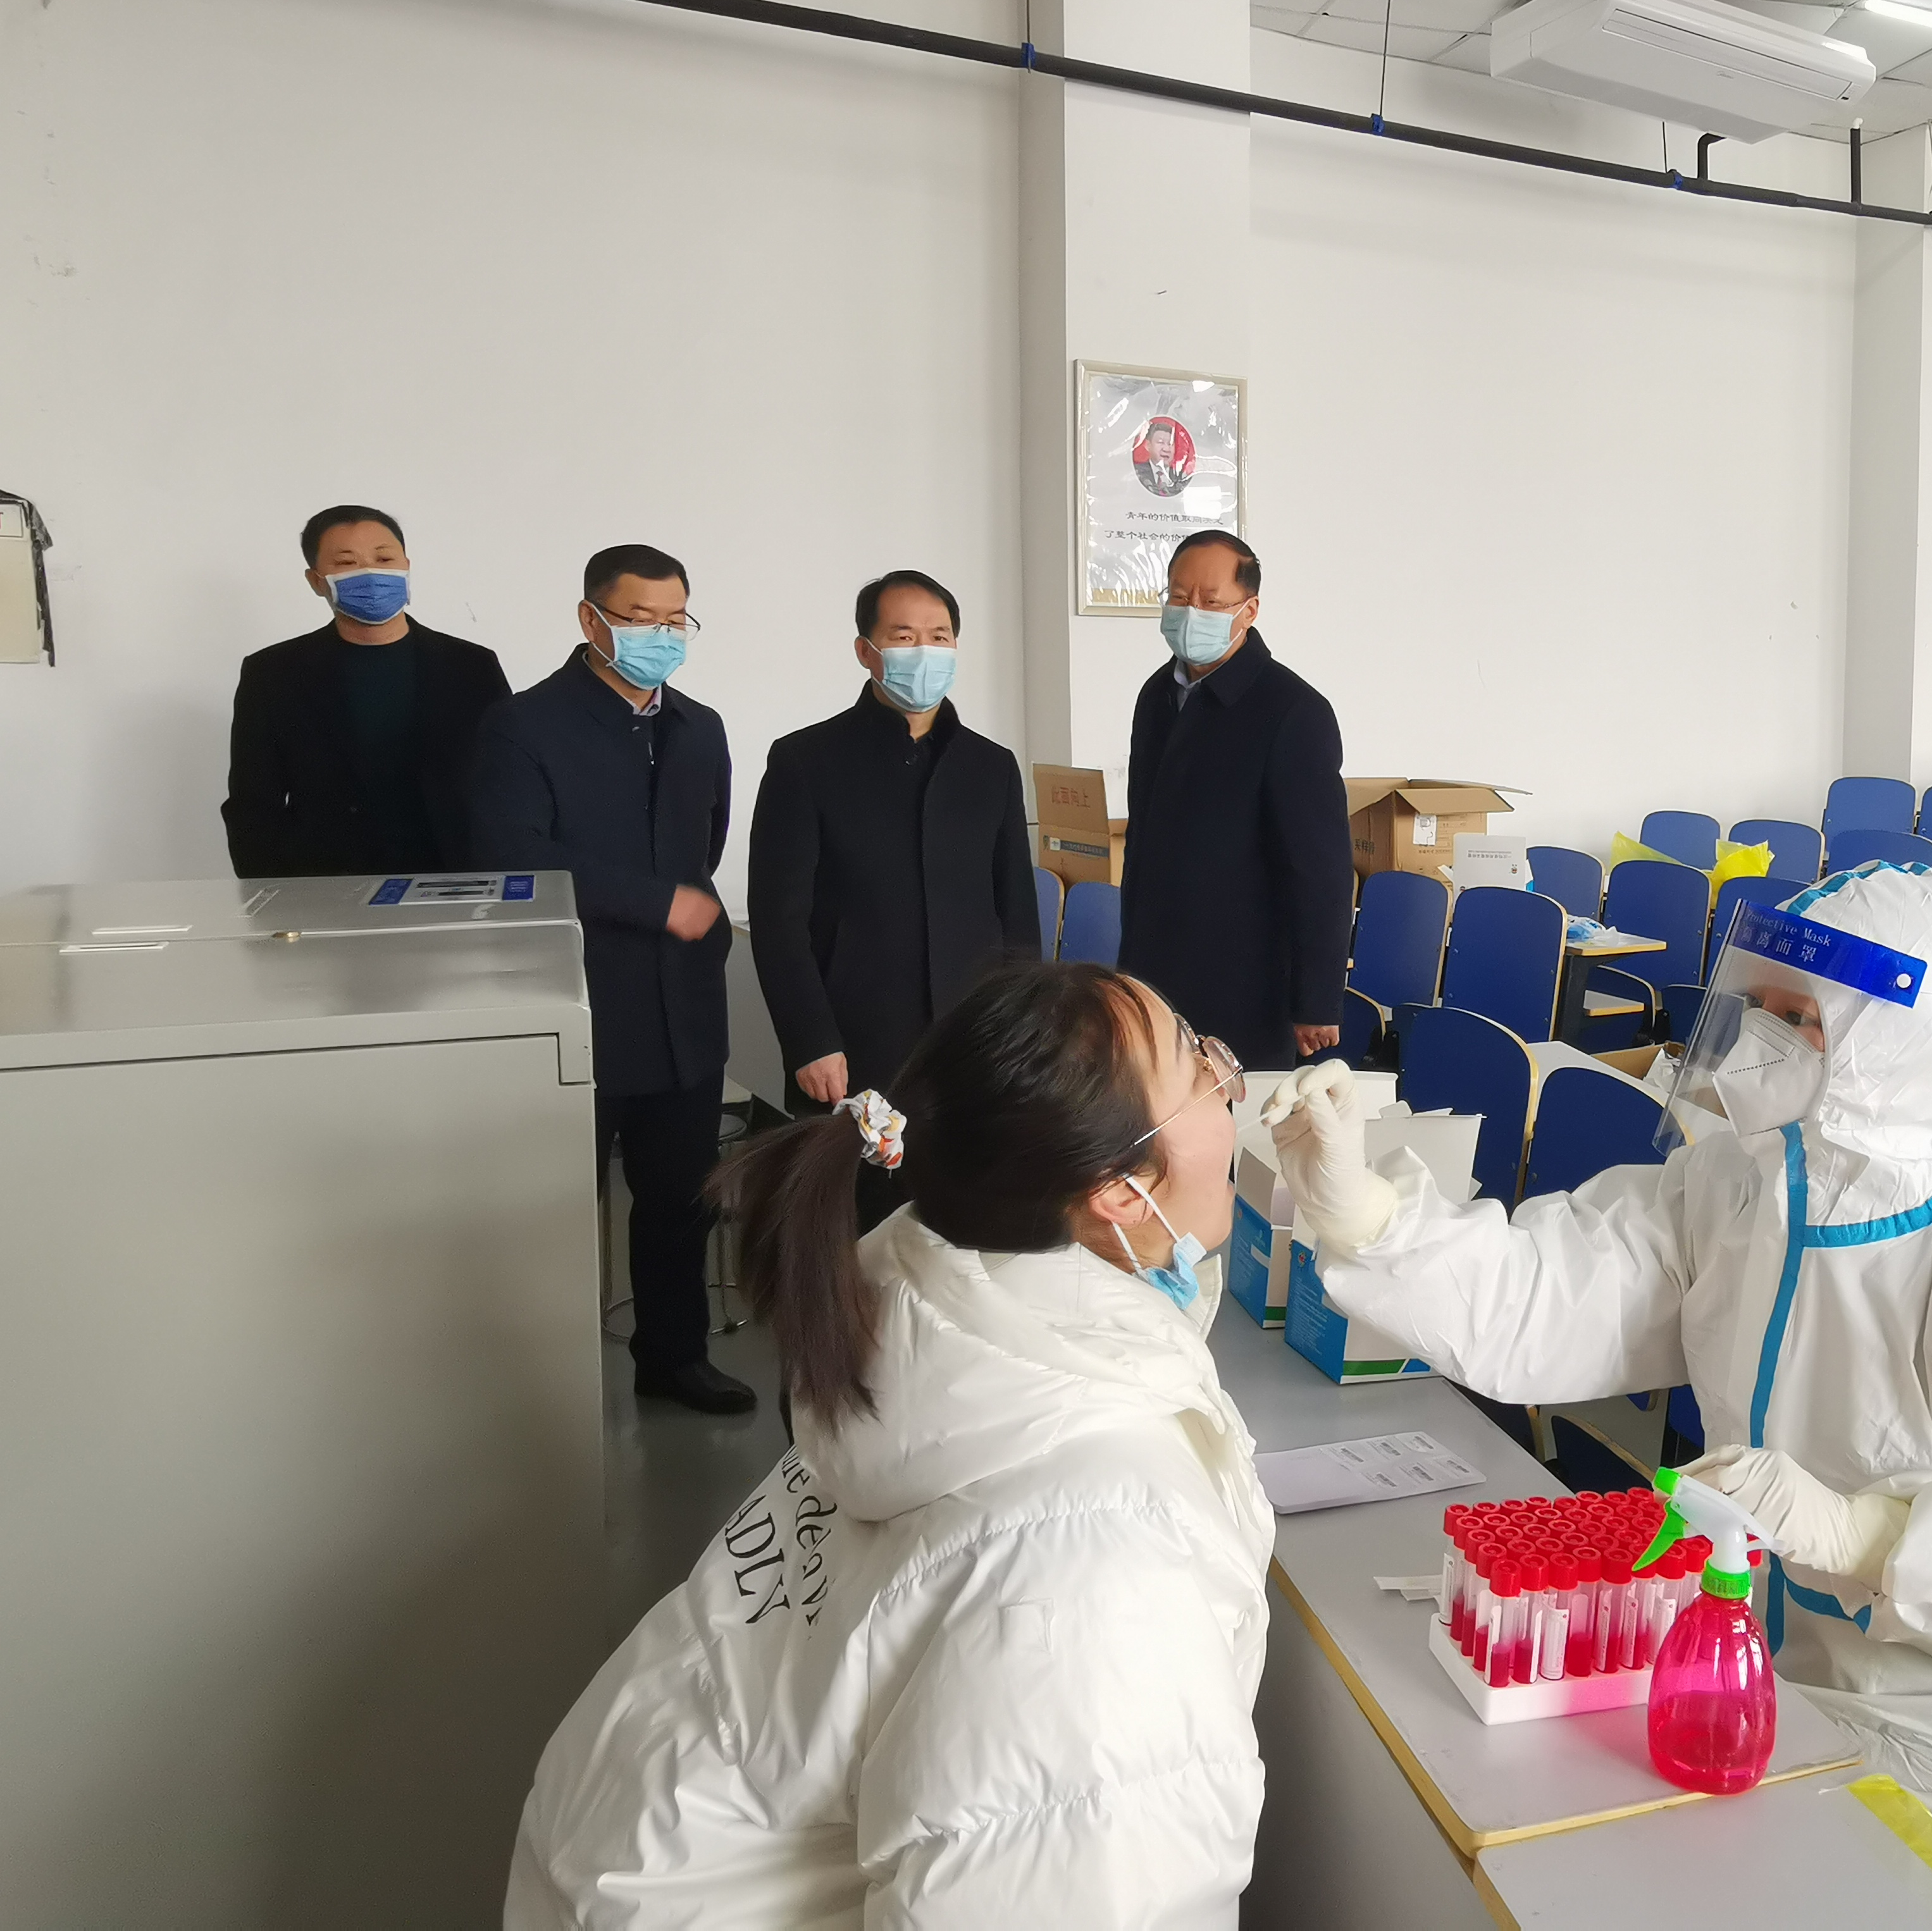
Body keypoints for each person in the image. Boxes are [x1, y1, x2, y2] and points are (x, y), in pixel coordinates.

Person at [1263, 863, 1932, 1916]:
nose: (1759, 1041)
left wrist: (1873, 1540)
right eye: (1759, 1007)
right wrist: (1370, 1216)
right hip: (1742, 1690)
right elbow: (1548, 1299)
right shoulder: (1738, 1189)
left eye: (1801, 1020)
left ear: (1897, 1043)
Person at [505, 963, 1272, 1928]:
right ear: (1120, 1191)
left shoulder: (938, 1327)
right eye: (1197, 1061)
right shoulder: (1107, 1569)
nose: (1230, 1079)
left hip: (623, 1864)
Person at [469, 544, 752, 1417]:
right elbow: (511, 853)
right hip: (580, 997)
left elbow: (707, 843)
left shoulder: (699, 726)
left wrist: (683, 909)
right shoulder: (523, 726)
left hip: (684, 1002)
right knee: (559, 1203)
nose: (661, 635)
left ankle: (673, 1357)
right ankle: (543, 1383)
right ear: (591, 619)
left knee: (681, 1194)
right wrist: (656, 903)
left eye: (675, 619)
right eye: (640, 618)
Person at [748, 569, 1039, 1231]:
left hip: (971, 1042)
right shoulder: (805, 761)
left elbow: (1017, 914)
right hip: (855, 1043)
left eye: (940, 635)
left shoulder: (990, 766)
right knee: (854, 1223)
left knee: (965, 1215)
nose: (924, 651)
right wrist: (811, 1040)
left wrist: (1024, 1034)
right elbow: (779, 919)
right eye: (904, 637)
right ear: (866, 650)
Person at [1118, 530, 1351, 1069]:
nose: (1191, 612)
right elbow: (1142, 839)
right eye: (1179, 597)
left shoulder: (1292, 710)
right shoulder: (1156, 696)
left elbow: (1320, 870)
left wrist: (1316, 999)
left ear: (1249, 611)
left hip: (1245, 979)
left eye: (1211, 601)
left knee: (1234, 1112)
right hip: (1155, 967)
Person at [222, 505, 511, 877]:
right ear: (316, 581)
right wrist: (274, 894)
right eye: (347, 563)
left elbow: (509, 780)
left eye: (384, 558)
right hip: (326, 882)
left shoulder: (472, 666)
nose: (371, 574)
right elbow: (253, 803)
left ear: (406, 566)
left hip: (454, 876)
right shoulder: (272, 673)